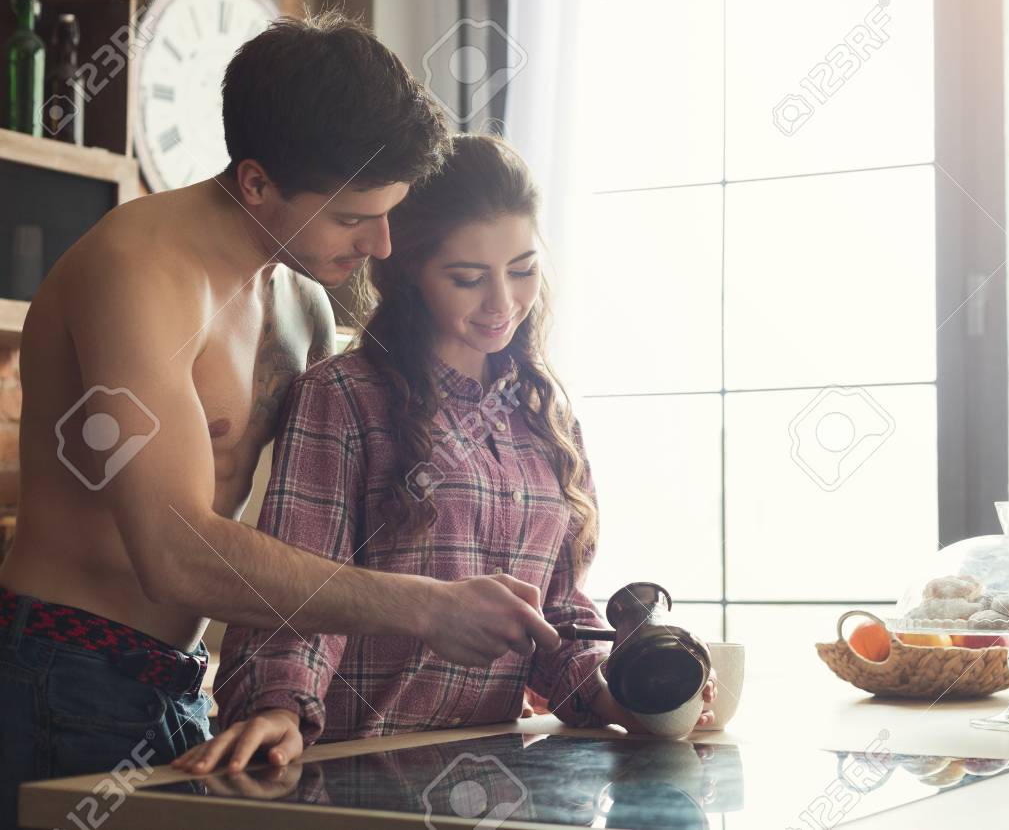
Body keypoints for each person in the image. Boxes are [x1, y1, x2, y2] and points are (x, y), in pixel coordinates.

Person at [0, 14, 559, 820]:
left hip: (184, 684)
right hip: (62, 670)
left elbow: (313, 528)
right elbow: (173, 554)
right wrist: (432, 606)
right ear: (257, 181)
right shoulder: (138, 270)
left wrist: (284, 698)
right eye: (352, 218)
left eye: (391, 212)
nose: (383, 244)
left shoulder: (298, 300)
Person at [173, 135, 717, 774]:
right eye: (467, 278)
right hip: (354, 769)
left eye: (522, 269)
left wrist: (620, 691)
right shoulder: (344, 396)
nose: (502, 303)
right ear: (408, 274)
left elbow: (559, 614)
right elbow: (303, 584)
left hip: (496, 780)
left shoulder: (546, 414)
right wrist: (280, 707)